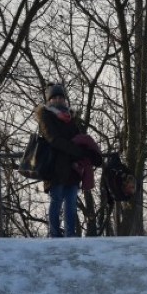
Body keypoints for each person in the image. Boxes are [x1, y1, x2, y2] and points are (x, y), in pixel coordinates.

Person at [36, 83, 88, 238]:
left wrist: (81, 152)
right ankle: (55, 235)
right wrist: (77, 151)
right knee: (56, 200)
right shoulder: (45, 116)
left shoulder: (71, 117)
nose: (59, 100)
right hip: (54, 166)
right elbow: (53, 139)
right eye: (55, 97)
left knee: (71, 203)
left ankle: (70, 236)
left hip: (72, 167)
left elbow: (79, 137)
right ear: (49, 100)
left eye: (61, 97)